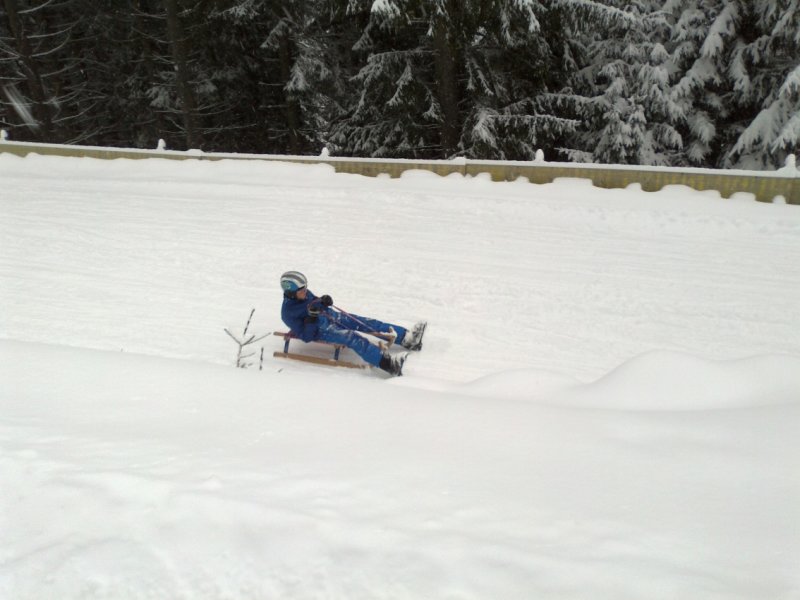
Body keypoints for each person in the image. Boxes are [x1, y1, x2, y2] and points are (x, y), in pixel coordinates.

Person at [279, 271, 425, 376]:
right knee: (352, 337)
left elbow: (314, 301)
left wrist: (323, 301)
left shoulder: (303, 294)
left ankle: (407, 338)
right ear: (291, 293)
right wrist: (311, 318)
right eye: (302, 290)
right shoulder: (287, 314)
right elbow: (306, 336)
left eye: (306, 287)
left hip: (332, 316)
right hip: (321, 330)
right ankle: (390, 365)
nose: (306, 291)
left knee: (366, 322)